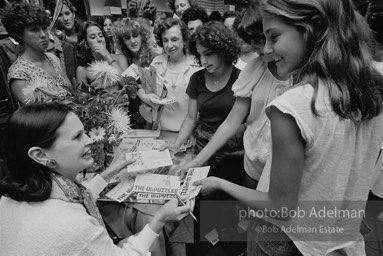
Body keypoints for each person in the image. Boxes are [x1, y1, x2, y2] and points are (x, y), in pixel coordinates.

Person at [194, 0, 383, 255]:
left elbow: (280, 207)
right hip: (338, 237)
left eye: (274, 36)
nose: (268, 48)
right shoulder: (370, 90)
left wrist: (219, 183)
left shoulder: (292, 106)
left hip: (284, 239)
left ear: (310, 28)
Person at [0, 103, 191, 255]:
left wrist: (111, 171)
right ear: (40, 155)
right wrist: (160, 218)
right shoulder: (72, 226)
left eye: (84, 132)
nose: (90, 140)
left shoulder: (13, 196)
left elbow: (80, 195)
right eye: (77, 137)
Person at [180, 2, 289, 191]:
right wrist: (196, 161)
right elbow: (231, 122)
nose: (264, 50)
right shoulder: (254, 70)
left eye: (265, 41)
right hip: (252, 166)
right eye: (255, 46)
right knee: (228, 214)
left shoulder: (299, 75)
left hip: (282, 169)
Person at [168, 21, 243, 185]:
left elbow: (232, 123)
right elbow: (191, 117)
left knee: (225, 203)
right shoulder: (197, 79)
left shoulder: (241, 79)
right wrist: (176, 145)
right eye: (200, 55)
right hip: (202, 147)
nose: (203, 61)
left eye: (208, 54)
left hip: (231, 152)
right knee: (202, 195)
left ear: (223, 50)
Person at [138, 18, 200, 137]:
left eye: (174, 39)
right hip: (162, 130)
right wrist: (148, 98)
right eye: (165, 40)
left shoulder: (196, 64)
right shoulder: (156, 63)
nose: (169, 45)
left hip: (190, 132)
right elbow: (147, 91)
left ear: (184, 39)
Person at [3, 2, 71, 106]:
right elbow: (39, 117)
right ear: (19, 34)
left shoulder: (53, 58)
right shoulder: (18, 73)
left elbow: (71, 93)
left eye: (44, 28)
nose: (43, 35)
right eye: (34, 30)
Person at [114, 17, 156, 129]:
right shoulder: (123, 60)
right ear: (122, 41)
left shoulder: (155, 57)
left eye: (136, 35)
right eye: (127, 38)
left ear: (143, 35)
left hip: (154, 118)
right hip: (132, 118)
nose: (132, 41)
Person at [76, 21, 128, 90]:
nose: (99, 39)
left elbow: (128, 86)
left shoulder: (120, 58)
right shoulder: (82, 70)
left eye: (101, 35)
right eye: (93, 37)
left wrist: (108, 56)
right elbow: (82, 99)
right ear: (86, 44)